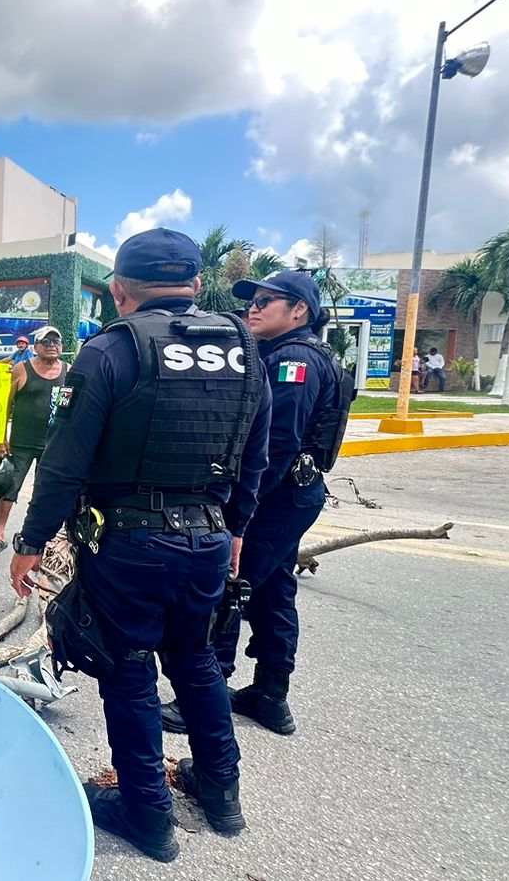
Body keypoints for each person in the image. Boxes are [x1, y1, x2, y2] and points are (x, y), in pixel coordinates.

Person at [7, 228, 271, 863]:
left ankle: (146, 810)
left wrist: (30, 542)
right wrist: (234, 530)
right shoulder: (243, 347)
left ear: (119, 291)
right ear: (196, 285)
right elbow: (253, 458)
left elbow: (64, 463)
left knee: (128, 673)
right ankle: (221, 792)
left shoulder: (108, 351)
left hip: (129, 544)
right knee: (196, 660)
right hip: (207, 537)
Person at [162, 271, 344, 739]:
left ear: (299, 310)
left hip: (275, 495)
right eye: (253, 301)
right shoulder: (293, 353)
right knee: (275, 588)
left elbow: (275, 445)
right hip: (292, 494)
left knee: (228, 586)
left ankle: (202, 698)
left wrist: (240, 512)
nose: (254, 308)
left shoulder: (294, 361)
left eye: (268, 301)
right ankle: (270, 694)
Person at [0, 325, 68, 556]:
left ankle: (38, 537)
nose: (52, 346)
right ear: (36, 347)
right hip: (20, 442)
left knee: (45, 491)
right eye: (46, 342)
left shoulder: (68, 371)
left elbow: (70, 408)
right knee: (9, 487)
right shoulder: (22, 369)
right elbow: (4, 406)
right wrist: (1, 439)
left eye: (56, 341)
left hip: (53, 445)